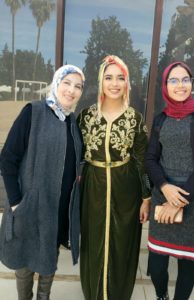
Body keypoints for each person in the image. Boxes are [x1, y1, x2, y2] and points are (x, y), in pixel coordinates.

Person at [0, 64, 85, 300]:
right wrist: (17, 201)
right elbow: (7, 159)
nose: (71, 90)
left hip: (56, 209)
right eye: (67, 82)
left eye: (78, 86)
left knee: (49, 259)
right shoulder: (33, 112)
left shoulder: (72, 123)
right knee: (25, 262)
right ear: (56, 83)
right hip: (29, 205)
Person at [145, 61, 194, 300]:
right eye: (174, 80)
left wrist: (180, 199)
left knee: (186, 265)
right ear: (165, 86)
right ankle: (161, 296)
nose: (180, 85)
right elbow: (150, 158)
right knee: (157, 265)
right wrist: (165, 187)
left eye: (185, 79)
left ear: (192, 83)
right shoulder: (161, 119)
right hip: (163, 194)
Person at [78, 55, 151, 300]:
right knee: (93, 243)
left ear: (127, 83)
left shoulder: (135, 119)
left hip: (126, 190)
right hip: (93, 189)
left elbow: (142, 159)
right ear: (100, 81)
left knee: (122, 246)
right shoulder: (85, 117)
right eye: (108, 77)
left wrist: (146, 197)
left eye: (121, 78)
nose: (115, 83)